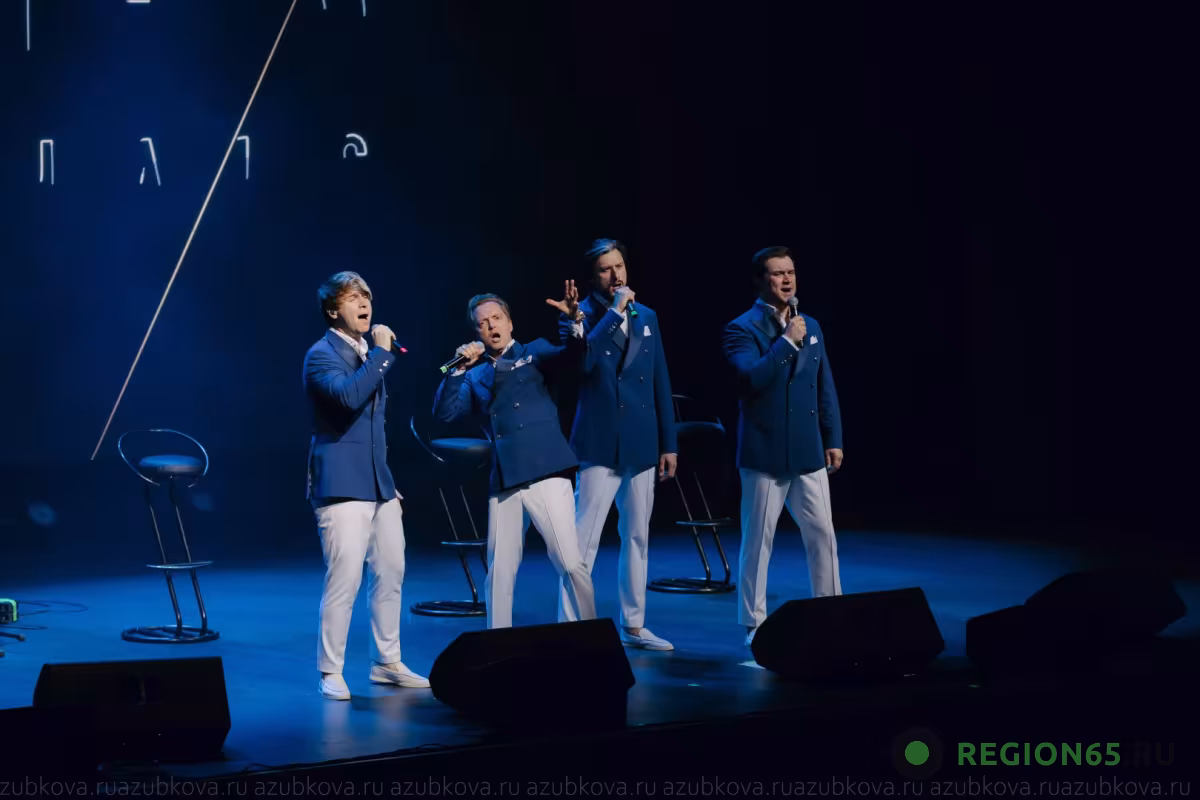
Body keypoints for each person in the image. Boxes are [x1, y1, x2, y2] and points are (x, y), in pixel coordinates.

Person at [432, 285, 597, 629]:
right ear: (476, 332)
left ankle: (588, 636)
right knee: (500, 572)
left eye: (496, 318)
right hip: (506, 478)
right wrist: (457, 369)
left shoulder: (535, 352)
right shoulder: (475, 375)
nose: (491, 325)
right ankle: (498, 642)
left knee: (570, 563)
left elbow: (575, 357)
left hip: (545, 470)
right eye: (482, 323)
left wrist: (574, 322)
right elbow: (445, 413)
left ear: (509, 322)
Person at [303, 271, 428, 700]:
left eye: (367, 296)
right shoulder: (321, 355)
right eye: (353, 297)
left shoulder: (367, 355)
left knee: (391, 570)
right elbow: (349, 398)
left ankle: (386, 662)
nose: (364, 303)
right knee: (345, 579)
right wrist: (381, 354)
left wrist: (385, 481)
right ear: (332, 310)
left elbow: (375, 427)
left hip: (378, 484)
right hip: (340, 484)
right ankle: (330, 670)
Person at [555, 239, 677, 650]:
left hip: (641, 441)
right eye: (606, 269)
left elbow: (660, 381)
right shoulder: (579, 316)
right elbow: (585, 362)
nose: (616, 275)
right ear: (594, 277)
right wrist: (614, 313)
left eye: (620, 266)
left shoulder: (648, 316)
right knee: (582, 541)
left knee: (637, 536)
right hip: (599, 442)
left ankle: (635, 625)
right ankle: (571, 627)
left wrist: (669, 443)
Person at [722, 247, 844, 646]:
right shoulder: (741, 329)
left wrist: (833, 437)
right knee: (758, 543)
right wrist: (787, 343)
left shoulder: (812, 325)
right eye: (778, 273)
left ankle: (831, 612)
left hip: (807, 449)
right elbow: (751, 379)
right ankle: (754, 624)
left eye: (790, 271)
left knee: (823, 534)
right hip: (765, 452)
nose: (787, 279)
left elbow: (824, 385)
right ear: (761, 280)